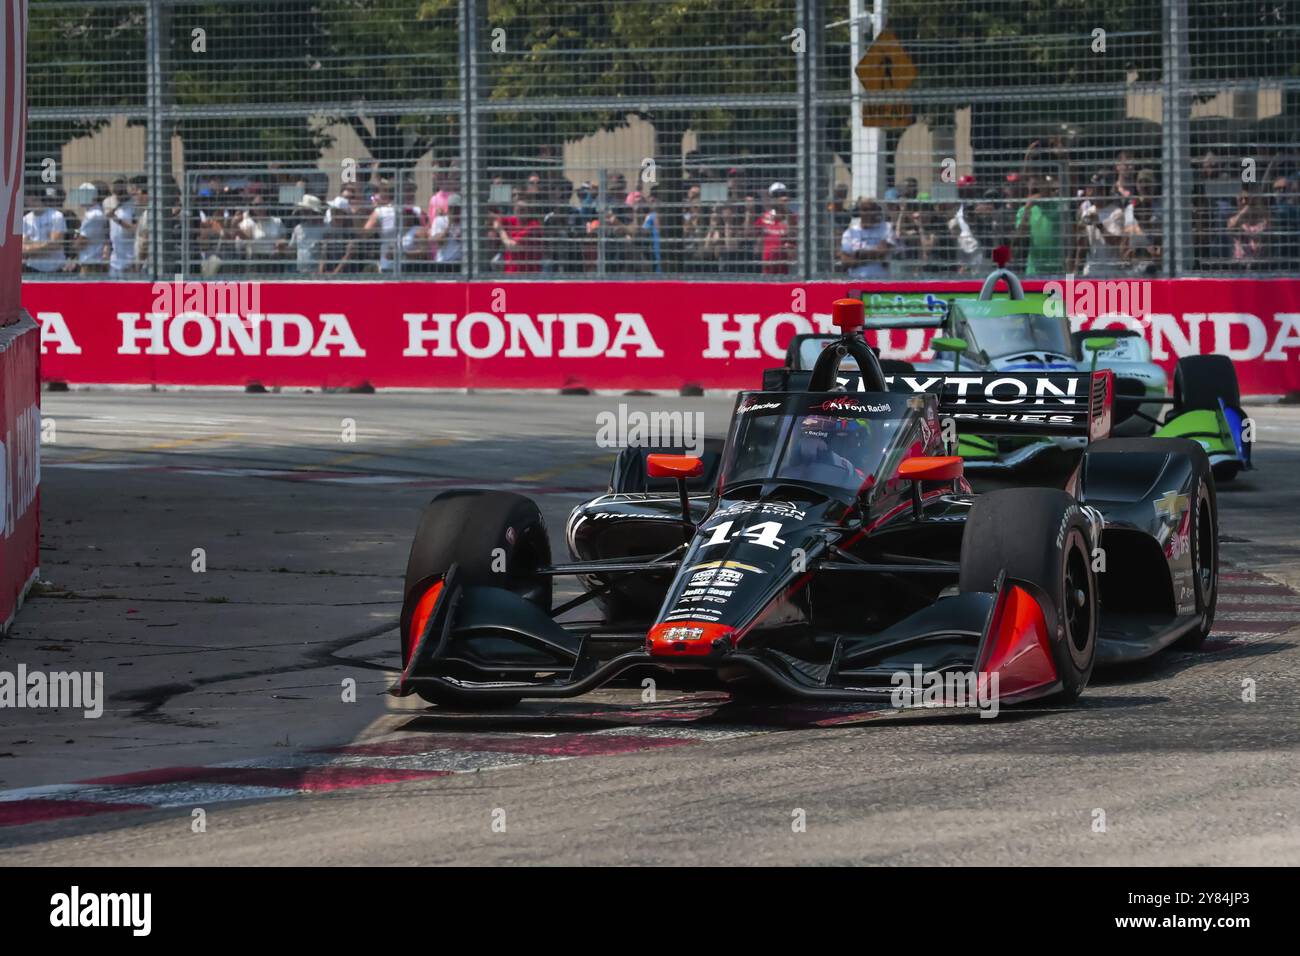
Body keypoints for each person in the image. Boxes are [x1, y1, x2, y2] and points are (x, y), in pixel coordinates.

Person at [1014, 174, 1064, 275]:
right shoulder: (1023, 210)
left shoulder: (1059, 206)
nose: (1035, 189)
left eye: (1038, 185)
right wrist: (1027, 209)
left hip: (1059, 270)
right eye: (1033, 188)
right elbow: (1020, 236)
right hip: (1034, 271)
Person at [840, 198, 897, 277]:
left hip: (880, 282)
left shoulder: (886, 228)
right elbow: (845, 261)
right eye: (865, 210)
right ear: (860, 212)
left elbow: (882, 252)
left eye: (872, 209)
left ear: (877, 211)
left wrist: (857, 254)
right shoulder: (850, 232)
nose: (869, 213)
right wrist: (873, 256)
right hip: (856, 282)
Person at [22, 186, 68, 275]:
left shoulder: (56, 216)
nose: (25, 202)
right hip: (33, 269)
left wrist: (31, 247)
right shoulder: (25, 219)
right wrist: (46, 244)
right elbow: (22, 249)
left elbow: (55, 245)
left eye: (27, 198)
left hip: (56, 269)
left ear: (37, 198)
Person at [758, 182, 796, 275]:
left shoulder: (793, 218)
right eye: (776, 195)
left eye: (783, 194)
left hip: (786, 270)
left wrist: (787, 213)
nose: (780, 198)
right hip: (767, 270)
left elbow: (793, 237)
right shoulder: (765, 217)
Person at [74, 181, 110, 275]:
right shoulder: (93, 212)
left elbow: (82, 241)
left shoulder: (93, 215)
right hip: (91, 261)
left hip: (91, 264)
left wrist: (73, 245)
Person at [289, 194, 329, 274]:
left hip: (317, 273)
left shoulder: (325, 228)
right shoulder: (298, 228)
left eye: (306, 210)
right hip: (300, 272)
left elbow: (326, 252)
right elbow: (292, 249)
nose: (303, 212)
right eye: (303, 210)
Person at [107, 177, 137, 277]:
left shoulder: (134, 206)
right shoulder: (111, 204)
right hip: (115, 262)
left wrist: (117, 220)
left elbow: (136, 230)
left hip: (130, 261)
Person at [429, 193, 463, 273]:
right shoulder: (440, 221)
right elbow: (438, 242)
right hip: (444, 263)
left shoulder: (465, 223)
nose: (458, 212)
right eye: (455, 209)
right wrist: (449, 226)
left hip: (460, 264)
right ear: (450, 209)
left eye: (459, 209)